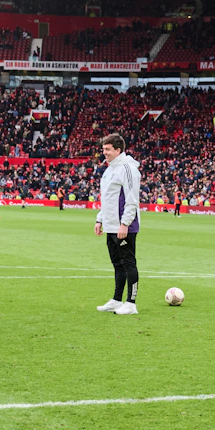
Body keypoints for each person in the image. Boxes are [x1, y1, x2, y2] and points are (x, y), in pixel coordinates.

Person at [94, 133, 141, 316]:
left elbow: (132, 199)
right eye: (103, 149)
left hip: (124, 226)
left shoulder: (127, 168)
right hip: (111, 225)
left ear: (118, 150)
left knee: (129, 263)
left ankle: (131, 302)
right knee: (117, 264)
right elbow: (107, 199)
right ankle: (116, 300)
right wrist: (100, 219)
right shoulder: (109, 170)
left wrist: (125, 223)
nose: (104, 153)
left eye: (107, 149)